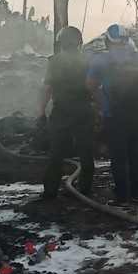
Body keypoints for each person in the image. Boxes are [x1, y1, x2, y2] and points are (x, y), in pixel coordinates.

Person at [86, 24, 138, 207]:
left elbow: (89, 85)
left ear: (108, 41)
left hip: (113, 115)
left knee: (118, 156)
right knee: (136, 152)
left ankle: (122, 197)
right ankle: (137, 193)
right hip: (137, 115)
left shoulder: (101, 60)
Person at [36, 26, 96, 198]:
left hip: (61, 111)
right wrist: (99, 111)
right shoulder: (88, 61)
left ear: (60, 42)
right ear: (79, 42)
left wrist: (41, 112)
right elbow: (95, 88)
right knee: (85, 150)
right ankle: (85, 187)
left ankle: (50, 190)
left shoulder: (55, 62)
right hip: (84, 110)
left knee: (57, 151)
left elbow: (48, 88)